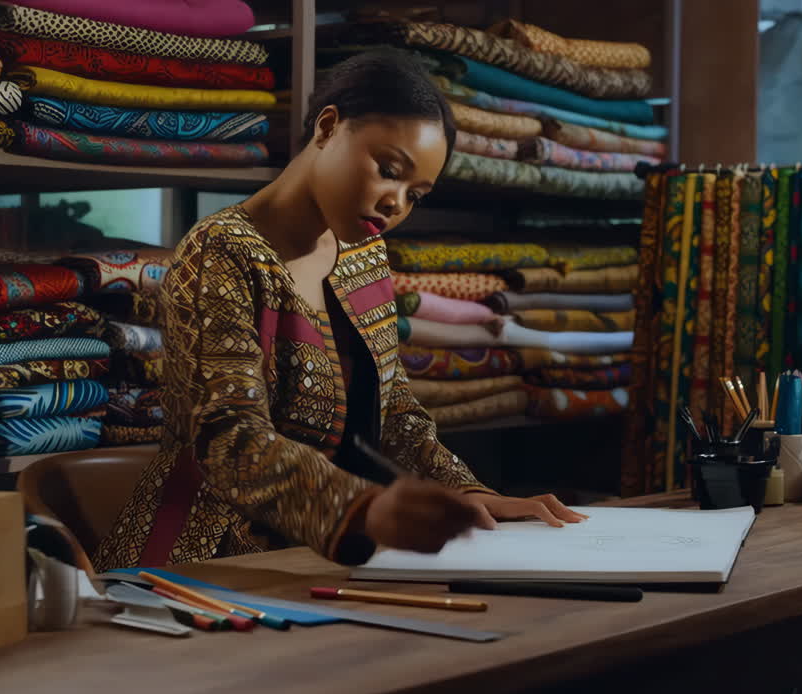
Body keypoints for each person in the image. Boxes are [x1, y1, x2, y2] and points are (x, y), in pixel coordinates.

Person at [92, 49, 585, 572]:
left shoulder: (363, 252)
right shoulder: (222, 252)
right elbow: (230, 441)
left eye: (415, 194)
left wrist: (465, 490)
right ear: (328, 127)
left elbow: (392, 405)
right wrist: (363, 509)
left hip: (325, 555)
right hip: (199, 560)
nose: (397, 203)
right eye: (388, 169)